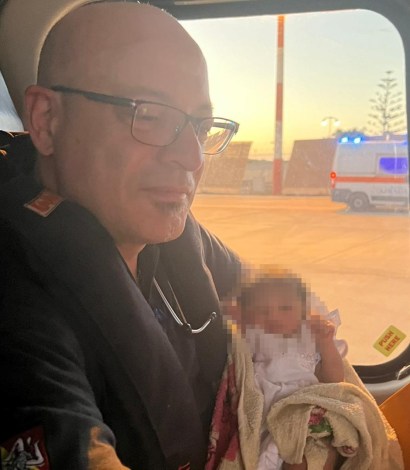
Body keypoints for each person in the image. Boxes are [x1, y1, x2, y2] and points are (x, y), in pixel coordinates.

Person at [0, 1, 241, 469]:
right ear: (46, 120)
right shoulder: (12, 292)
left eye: (200, 126)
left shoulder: (173, 232)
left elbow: (284, 311)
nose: (193, 158)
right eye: (149, 115)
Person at [225, 270, 346, 470]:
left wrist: (326, 344)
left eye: (285, 308)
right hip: (269, 413)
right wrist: (238, 321)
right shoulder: (254, 338)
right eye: (262, 310)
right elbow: (238, 362)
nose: (273, 316)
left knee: (306, 461)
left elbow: (334, 380)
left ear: (304, 310)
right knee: (270, 454)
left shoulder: (310, 340)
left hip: (304, 411)